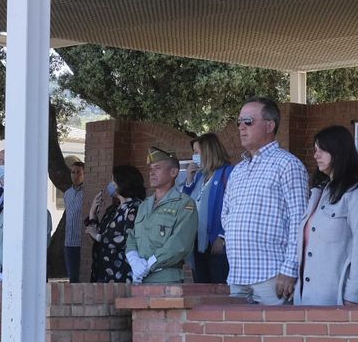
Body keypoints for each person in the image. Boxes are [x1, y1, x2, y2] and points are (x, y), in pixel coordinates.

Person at [222, 97, 309, 305]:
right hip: (238, 274)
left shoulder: (288, 164)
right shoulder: (238, 170)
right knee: (237, 336)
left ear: (270, 125)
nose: (241, 127)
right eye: (239, 122)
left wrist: (290, 269)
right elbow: (226, 215)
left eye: (248, 121)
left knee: (275, 337)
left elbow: (300, 220)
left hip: (272, 275)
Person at [298, 125, 358, 306]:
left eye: (322, 150)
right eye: (315, 150)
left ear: (338, 151)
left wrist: (354, 295)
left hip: (340, 300)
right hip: (312, 298)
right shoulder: (321, 193)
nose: (315, 156)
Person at [125, 146, 197, 284]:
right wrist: (134, 260)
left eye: (157, 168)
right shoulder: (144, 205)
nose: (151, 173)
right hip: (139, 279)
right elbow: (132, 236)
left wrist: (150, 264)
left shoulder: (185, 204)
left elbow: (180, 244)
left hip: (166, 280)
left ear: (174, 172)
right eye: (151, 169)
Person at [181, 133, 232, 285]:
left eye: (197, 152)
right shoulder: (199, 176)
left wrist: (223, 236)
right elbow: (186, 203)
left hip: (216, 241)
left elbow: (233, 208)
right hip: (197, 240)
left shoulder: (227, 173)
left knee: (218, 285)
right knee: (201, 285)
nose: (194, 156)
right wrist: (189, 180)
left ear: (209, 152)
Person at [88, 165, 144, 284]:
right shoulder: (115, 208)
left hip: (121, 273)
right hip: (104, 271)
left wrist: (99, 237)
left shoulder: (134, 208)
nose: (111, 184)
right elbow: (100, 233)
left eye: (113, 180)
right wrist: (92, 212)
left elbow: (128, 239)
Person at [61, 157, 86, 282]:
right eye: (73, 172)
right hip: (68, 242)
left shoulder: (86, 193)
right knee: (72, 277)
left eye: (79, 173)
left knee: (79, 276)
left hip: (80, 242)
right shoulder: (67, 194)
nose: (75, 176)